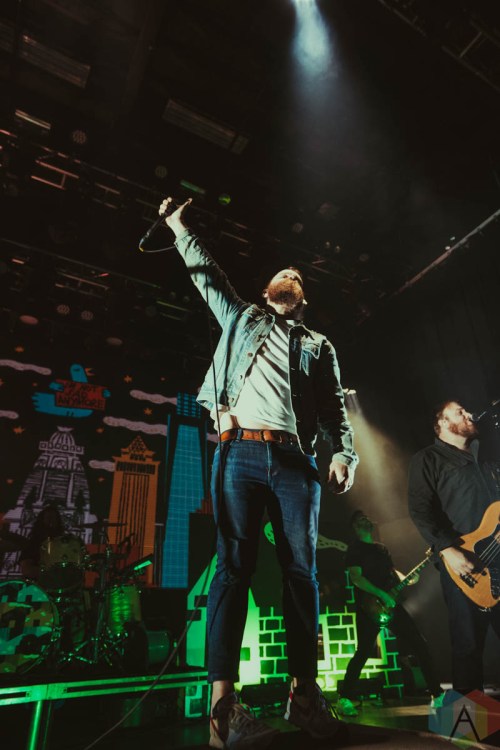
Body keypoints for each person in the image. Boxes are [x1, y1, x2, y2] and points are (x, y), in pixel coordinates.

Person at [160, 197, 358, 748]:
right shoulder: (241, 317)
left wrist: (344, 453)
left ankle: (305, 697)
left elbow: (336, 409)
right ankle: (223, 711)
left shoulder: (318, 346)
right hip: (239, 453)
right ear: (268, 291)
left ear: (302, 298)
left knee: (302, 575)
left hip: (296, 461)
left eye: (296, 276)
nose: (288, 276)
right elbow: (207, 275)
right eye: (281, 274)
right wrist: (178, 227)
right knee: (233, 570)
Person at [408, 400, 500, 695]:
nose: (469, 414)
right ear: (442, 423)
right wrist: (448, 549)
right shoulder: (428, 459)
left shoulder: (487, 456)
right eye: (459, 411)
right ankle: (468, 722)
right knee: (467, 646)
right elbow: (420, 510)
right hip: (464, 565)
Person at [336, 511, 442, 717]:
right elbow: (357, 579)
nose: (367, 519)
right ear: (355, 527)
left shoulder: (381, 548)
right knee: (363, 652)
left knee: (419, 644)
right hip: (369, 607)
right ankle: (344, 698)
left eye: (367, 517)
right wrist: (382, 595)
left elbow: (392, 571)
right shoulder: (354, 550)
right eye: (361, 519)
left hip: (392, 604)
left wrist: (407, 578)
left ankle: (437, 695)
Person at [19, 504, 65, 580]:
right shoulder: (33, 543)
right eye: (49, 517)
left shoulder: (62, 544)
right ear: (42, 520)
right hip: (37, 584)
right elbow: (27, 569)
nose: (51, 521)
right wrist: (51, 574)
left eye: (54, 518)